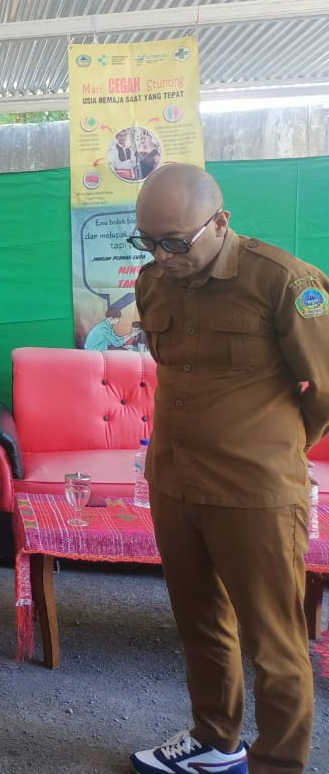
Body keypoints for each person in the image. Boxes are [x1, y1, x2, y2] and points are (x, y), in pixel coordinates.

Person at [129, 163, 329, 774]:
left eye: (175, 242)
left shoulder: (286, 282)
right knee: (200, 625)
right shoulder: (153, 283)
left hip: (256, 492)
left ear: (221, 222)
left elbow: (326, 386)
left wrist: (276, 445)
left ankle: (279, 763)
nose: (163, 257)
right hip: (174, 481)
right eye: (150, 242)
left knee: (275, 643)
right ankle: (216, 740)